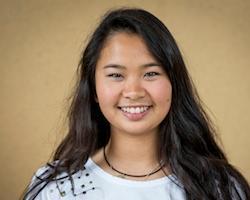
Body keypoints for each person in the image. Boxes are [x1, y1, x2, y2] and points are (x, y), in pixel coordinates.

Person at [23, 8, 250, 200]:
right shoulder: (56, 188)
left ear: (174, 83)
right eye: (116, 75)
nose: (133, 92)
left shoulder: (220, 187)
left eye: (151, 73)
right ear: (93, 89)